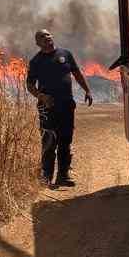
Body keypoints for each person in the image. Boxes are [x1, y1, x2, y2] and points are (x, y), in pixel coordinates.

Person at [25, 28, 93, 189]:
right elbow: (29, 85)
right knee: (49, 141)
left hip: (66, 105)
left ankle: (63, 175)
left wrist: (87, 90)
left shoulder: (65, 54)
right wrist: (42, 97)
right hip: (48, 107)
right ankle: (46, 177)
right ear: (37, 43)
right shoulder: (36, 61)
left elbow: (77, 73)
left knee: (65, 141)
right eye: (42, 37)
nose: (46, 37)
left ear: (52, 37)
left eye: (48, 35)